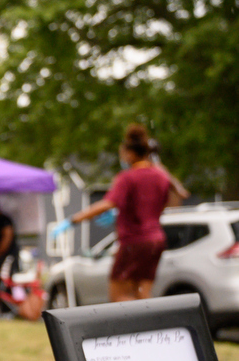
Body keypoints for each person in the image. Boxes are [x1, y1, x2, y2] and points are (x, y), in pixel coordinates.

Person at [57, 123, 188, 302]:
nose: (122, 158)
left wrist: (73, 219)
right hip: (156, 241)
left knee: (118, 295)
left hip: (134, 242)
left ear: (130, 154)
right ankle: (149, 320)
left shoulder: (127, 177)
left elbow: (107, 203)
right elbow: (170, 202)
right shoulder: (160, 176)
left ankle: (134, 321)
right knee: (142, 293)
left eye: (122, 153)